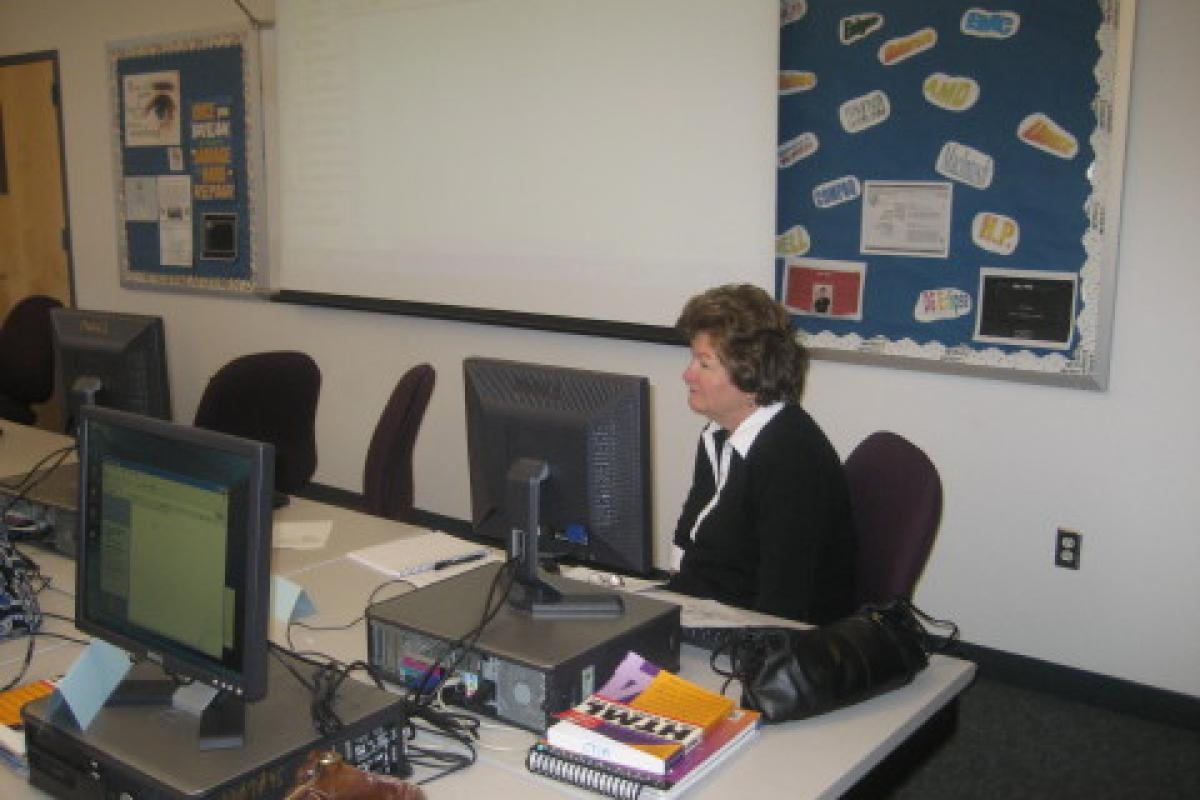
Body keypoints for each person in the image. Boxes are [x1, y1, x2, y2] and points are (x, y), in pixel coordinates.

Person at [665, 284, 855, 624]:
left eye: (704, 364)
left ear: (750, 375)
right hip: (707, 610)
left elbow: (781, 608)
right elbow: (692, 541)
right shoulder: (719, 433)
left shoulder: (791, 458)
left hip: (762, 637)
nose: (687, 374)